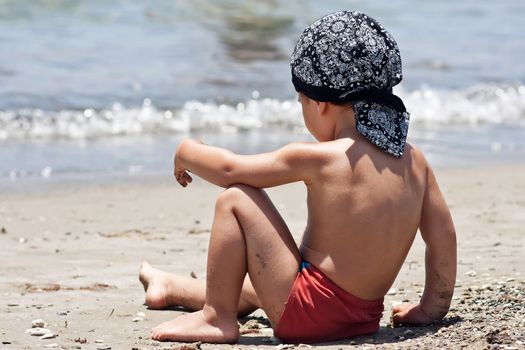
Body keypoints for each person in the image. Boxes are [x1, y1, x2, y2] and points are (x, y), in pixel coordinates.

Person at [139, 10, 457, 344]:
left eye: (301, 100)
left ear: (320, 104)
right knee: (254, 278)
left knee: (237, 199)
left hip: (309, 316)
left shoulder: (320, 158)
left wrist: (187, 151)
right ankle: (169, 287)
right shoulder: (414, 161)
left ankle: (216, 317)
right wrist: (429, 309)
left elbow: (230, 169)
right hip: (363, 318)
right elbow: (443, 237)